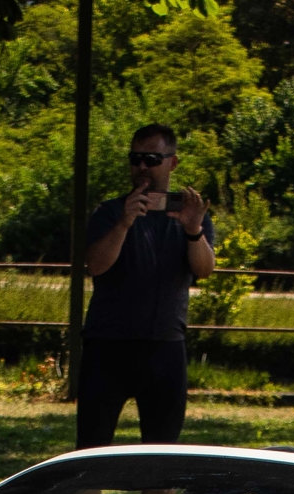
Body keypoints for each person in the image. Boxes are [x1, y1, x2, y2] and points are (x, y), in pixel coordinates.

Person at [77, 123, 214, 451]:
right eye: (135, 159)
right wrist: (125, 222)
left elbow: (205, 270)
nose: (141, 167)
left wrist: (194, 230)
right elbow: (95, 265)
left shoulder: (189, 214)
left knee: (161, 459)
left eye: (152, 159)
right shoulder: (110, 212)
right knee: (90, 455)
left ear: (172, 163)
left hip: (165, 347)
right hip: (107, 347)